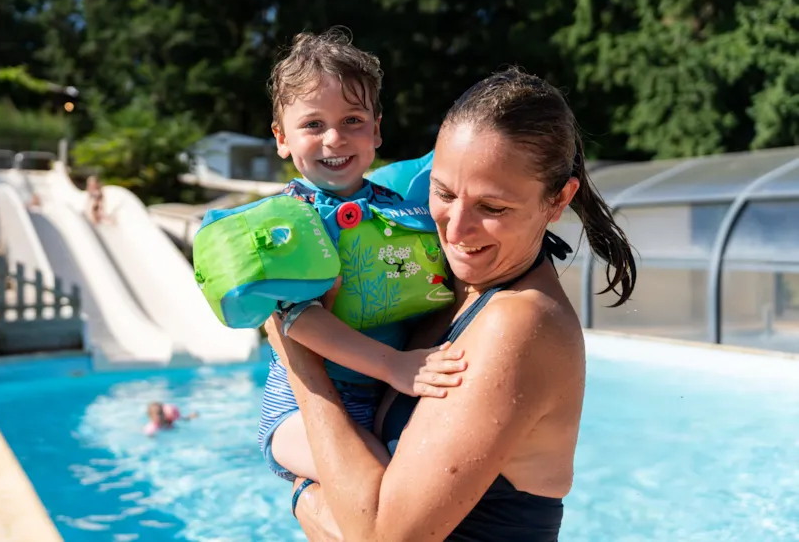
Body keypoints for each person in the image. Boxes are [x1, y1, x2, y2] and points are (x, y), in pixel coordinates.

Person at [267, 67, 636, 541]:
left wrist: (297, 353)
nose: (455, 232)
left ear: (558, 199)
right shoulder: (446, 284)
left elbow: (383, 536)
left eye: (493, 208)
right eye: (443, 193)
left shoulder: (519, 323)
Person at [202, 27, 465, 485]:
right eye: (313, 124)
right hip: (301, 407)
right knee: (379, 488)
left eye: (352, 121)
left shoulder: (399, 203)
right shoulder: (287, 223)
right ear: (281, 138)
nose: (334, 139)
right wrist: (395, 366)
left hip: (383, 395)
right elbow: (299, 320)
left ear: (377, 129)